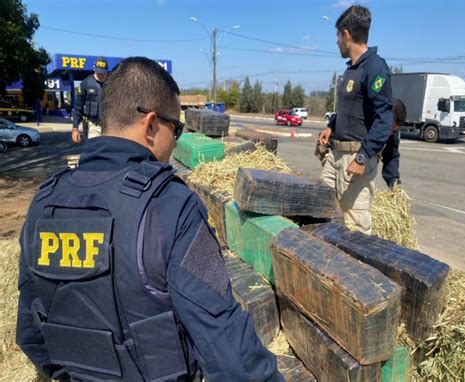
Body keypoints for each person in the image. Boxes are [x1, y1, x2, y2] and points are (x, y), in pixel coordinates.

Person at [16, 57, 282, 382]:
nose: (178, 140)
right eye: (178, 128)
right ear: (152, 124)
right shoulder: (170, 204)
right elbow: (229, 351)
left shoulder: (44, 202)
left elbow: (31, 334)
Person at [319, 5, 393, 234]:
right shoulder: (352, 69)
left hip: (356, 157)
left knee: (355, 225)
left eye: (337, 37)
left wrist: (362, 158)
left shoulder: (375, 68)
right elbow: (351, 109)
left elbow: (384, 120)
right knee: (320, 208)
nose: (337, 43)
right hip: (336, 154)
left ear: (346, 34)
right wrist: (332, 126)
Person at [71, 57, 109, 143]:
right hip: (93, 126)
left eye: (103, 73)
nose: (101, 75)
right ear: (94, 69)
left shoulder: (111, 83)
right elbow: (78, 108)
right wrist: (75, 128)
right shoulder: (86, 84)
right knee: (94, 151)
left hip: (110, 126)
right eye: (99, 72)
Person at [381, 98, 406, 188]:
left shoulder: (393, 134)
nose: (390, 132)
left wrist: (393, 181)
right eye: (389, 128)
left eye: (394, 130)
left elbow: (391, 155)